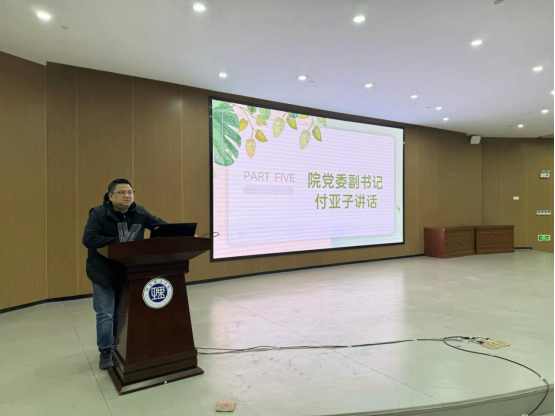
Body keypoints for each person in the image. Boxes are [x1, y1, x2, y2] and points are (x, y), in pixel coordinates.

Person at [82, 179, 167, 370]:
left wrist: (184, 234)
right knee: (105, 314)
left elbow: (160, 226)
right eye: (122, 192)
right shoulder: (98, 213)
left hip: (129, 271)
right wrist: (120, 241)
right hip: (103, 272)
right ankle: (106, 350)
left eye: (130, 192)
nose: (127, 195)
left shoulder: (140, 212)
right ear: (111, 196)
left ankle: (119, 344)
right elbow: (88, 238)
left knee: (122, 312)